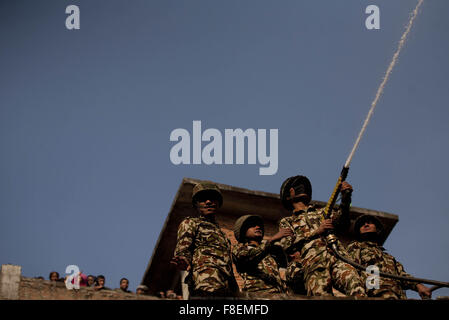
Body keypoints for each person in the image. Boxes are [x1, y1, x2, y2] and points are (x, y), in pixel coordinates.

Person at [277, 175, 366, 297]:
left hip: (337, 256)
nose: (302, 189)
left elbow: (343, 222)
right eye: (297, 187)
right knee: (321, 297)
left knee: (357, 288)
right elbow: (287, 245)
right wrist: (317, 231)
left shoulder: (322, 212)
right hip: (313, 263)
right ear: (289, 194)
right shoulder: (287, 221)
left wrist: (346, 198)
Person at [171, 183, 238, 297]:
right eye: (203, 200)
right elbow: (183, 249)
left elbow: (228, 265)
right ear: (196, 204)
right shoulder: (191, 223)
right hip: (205, 280)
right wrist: (183, 259)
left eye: (212, 199)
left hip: (224, 286)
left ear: (218, 203)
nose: (208, 202)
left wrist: (235, 289)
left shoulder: (223, 235)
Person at [347, 214, 432, 300]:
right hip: (375, 293)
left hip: (397, 295)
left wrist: (418, 285)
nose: (366, 225)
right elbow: (351, 271)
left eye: (370, 223)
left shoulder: (389, 257)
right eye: (362, 224)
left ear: (377, 229)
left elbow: (402, 276)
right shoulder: (355, 247)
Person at [232, 215, 292, 294]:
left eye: (259, 225)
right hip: (257, 293)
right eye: (252, 225)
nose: (257, 227)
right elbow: (247, 258)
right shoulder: (240, 248)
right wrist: (271, 240)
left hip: (278, 295)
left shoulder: (271, 251)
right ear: (243, 231)